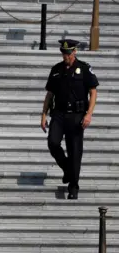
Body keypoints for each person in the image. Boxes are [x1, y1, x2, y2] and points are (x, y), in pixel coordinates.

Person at [41, 39, 98, 200]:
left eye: (68, 53)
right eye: (63, 53)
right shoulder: (56, 70)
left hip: (77, 115)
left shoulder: (84, 68)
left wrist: (89, 114)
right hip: (59, 114)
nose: (65, 56)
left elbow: (93, 92)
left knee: (75, 152)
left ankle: (73, 186)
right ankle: (67, 169)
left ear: (74, 52)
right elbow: (49, 94)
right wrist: (43, 114)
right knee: (53, 142)